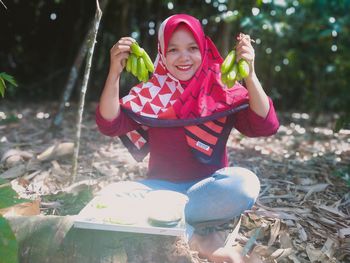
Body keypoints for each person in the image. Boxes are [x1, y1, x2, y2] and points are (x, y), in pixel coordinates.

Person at [96, 14, 279, 263]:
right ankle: (197, 237)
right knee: (109, 196)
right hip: (159, 191)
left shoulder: (220, 87)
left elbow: (264, 124)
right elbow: (109, 123)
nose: (184, 57)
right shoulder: (151, 92)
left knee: (245, 183)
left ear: (204, 48)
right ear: (161, 52)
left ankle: (164, 222)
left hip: (208, 191)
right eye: (174, 50)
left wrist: (250, 73)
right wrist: (114, 72)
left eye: (192, 48)